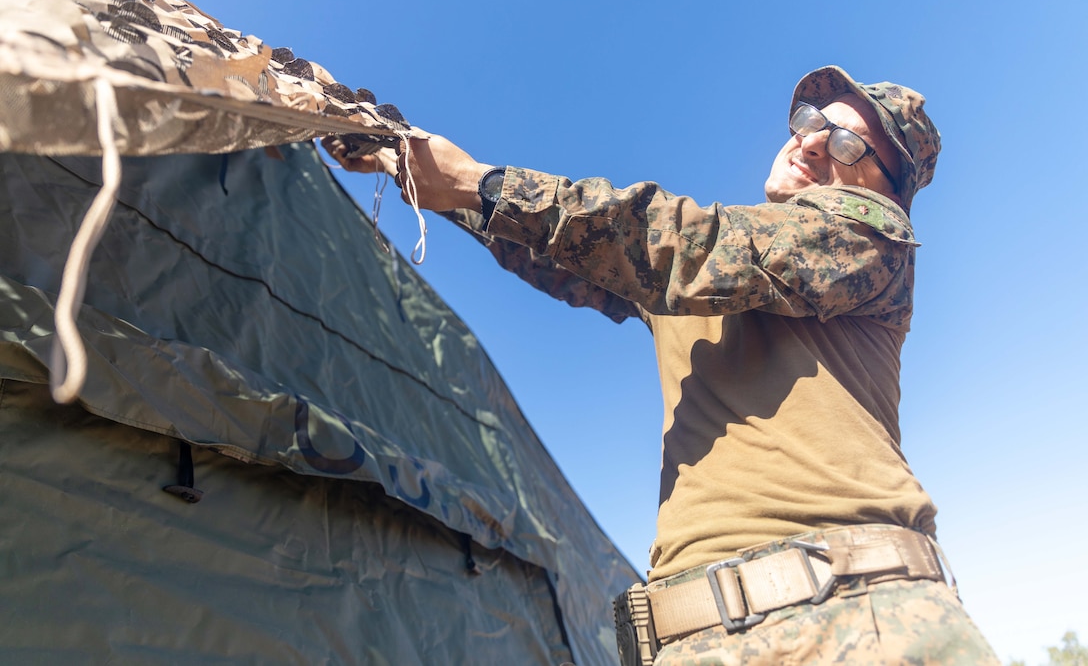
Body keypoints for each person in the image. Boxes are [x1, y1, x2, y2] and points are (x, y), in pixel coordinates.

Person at [324, 66, 999, 665]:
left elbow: (676, 243)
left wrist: (475, 181)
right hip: (696, 634)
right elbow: (580, 254)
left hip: (855, 622)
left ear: (890, 190)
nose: (815, 139)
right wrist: (427, 177)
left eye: (851, 143)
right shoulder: (705, 277)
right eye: (812, 120)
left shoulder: (870, 236)